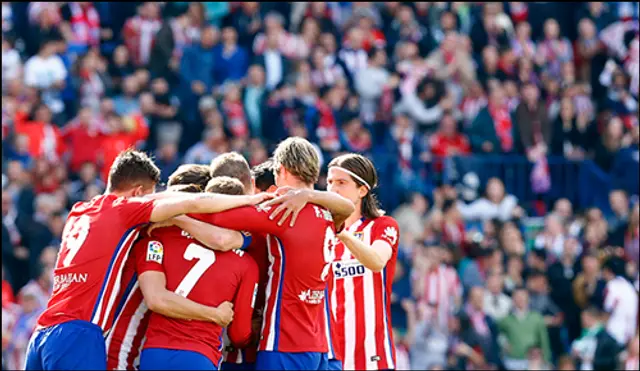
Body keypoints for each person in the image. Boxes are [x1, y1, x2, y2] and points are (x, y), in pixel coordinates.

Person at [24, 149, 271, 370]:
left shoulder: (79, 211)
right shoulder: (129, 213)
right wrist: (250, 200)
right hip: (82, 333)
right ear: (139, 193)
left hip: (43, 331)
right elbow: (201, 211)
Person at [186, 137, 355, 370]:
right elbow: (347, 207)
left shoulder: (285, 210)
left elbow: (217, 218)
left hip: (283, 343)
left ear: (282, 170)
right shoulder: (328, 212)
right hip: (316, 345)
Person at [106, 164, 251, 370]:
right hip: (122, 351)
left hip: (141, 352)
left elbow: (222, 238)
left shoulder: (161, 234)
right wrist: (214, 314)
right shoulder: (153, 235)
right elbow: (157, 299)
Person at [138, 177, 260, 370]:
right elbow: (238, 334)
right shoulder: (247, 263)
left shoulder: (161, 237)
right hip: (201, 354)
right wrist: (256, 330)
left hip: (155, 352)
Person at [325, 153, 402, 370]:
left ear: (362, 190)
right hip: (329, 354)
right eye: (330, 182)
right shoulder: (321, 231)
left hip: (372, 355)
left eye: (341, 183)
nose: (333, 189)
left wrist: (342, 233)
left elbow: (377, 261)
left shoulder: (383, 225)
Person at [601, 257, 639, 346]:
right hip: (629, 334)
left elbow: (607, 310)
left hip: (612, 334)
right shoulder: (631, 287)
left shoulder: (612, 286)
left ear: (608, 271)